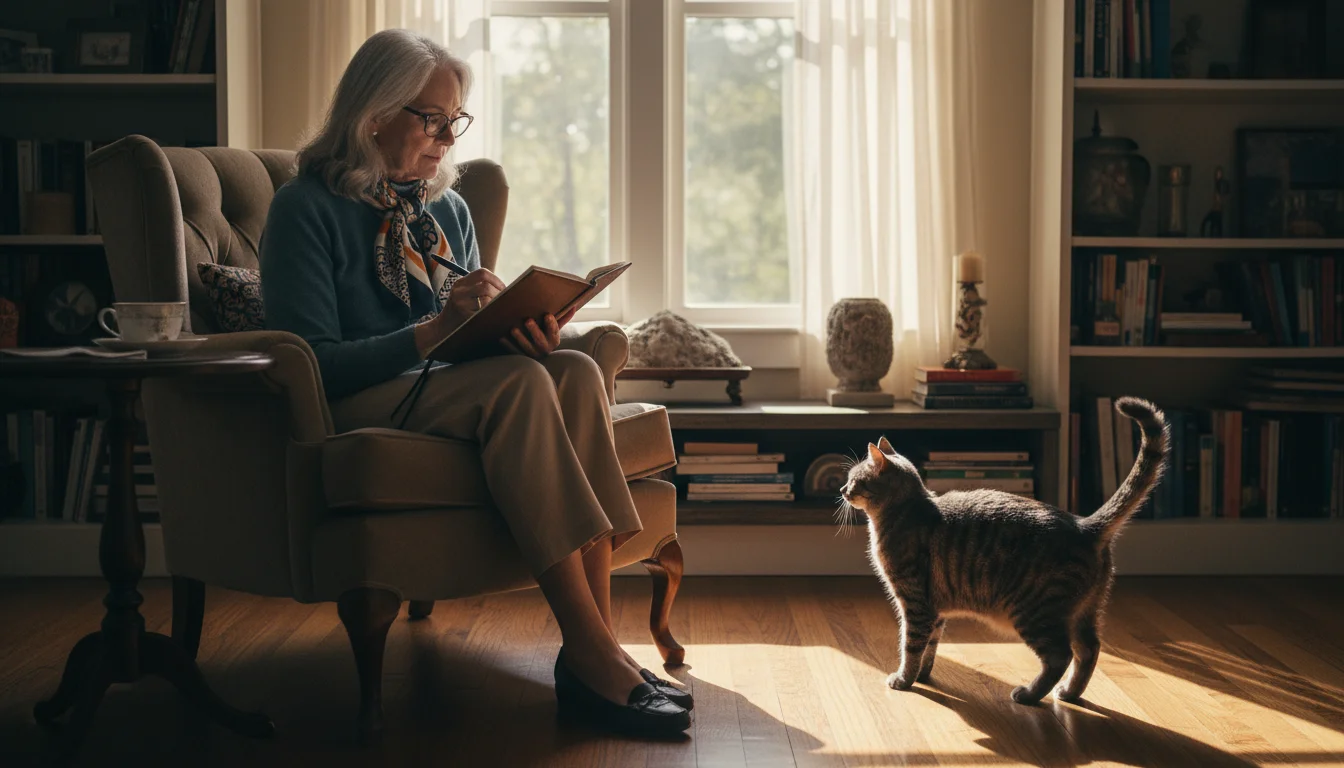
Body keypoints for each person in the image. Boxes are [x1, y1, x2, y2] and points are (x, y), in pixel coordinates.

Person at [258, 28, 691, 736]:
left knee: (574, 370)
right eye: (430, 119)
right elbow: (309, 361)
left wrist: (517, 329)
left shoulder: (447, 210)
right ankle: (588, 652)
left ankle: (599, 649)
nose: (445, 139)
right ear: (374, 114)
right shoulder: (305, 208)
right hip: (354, 403)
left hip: (440, 391)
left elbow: (462, 343)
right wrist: (432, 334)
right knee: (519, 388)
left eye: (453, 122)